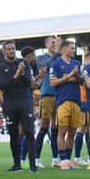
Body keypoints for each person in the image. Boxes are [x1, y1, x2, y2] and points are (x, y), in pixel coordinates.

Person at [0, 41, 37, 172]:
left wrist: (23, 73)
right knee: (13, 135)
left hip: (25, 102)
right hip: (10, 104)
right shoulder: (1, 67)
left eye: (13, 48)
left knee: (29, 133)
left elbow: (29, 84)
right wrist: (16, 75)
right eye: (8, 49)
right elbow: (1, 85)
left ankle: (33, 165)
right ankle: (16, 164)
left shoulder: (24, 63)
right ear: (4, 51)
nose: (11, 51)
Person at [49, 40, 83, 170]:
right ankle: (62, 160)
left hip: (76, 101)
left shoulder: (76, 63)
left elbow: (81, 82)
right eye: (72, 48)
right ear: (63, 49)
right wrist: (69, 76)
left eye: (74, 48)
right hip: (62, 101)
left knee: (72, 132)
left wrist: (77, 76)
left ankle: (68, 159)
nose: (74, 50)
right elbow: (53, 83)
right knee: (62, 131)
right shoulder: (55, 64)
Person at [34, 36, 61, 168]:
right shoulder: (41, 58)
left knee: (56, 128)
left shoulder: (60, 58)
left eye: (56, 43)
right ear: (46, 44)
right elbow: (46, 67)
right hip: (47, 94)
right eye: (52, 42)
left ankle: (56, 159)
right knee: (44, 126)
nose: (54, 45)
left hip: (60, 95)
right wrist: (57, 52)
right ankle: (36, 158)